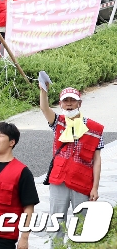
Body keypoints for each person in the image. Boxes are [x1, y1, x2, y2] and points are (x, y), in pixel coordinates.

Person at [39, 83, 104, 246]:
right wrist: (43, 90)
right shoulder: (58, 123)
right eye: (65, 101)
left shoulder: (94, 129)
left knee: (81, 224)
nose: (69, 104)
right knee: (56, 222)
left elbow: (97, 160)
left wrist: (95, 187)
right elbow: (44, 108)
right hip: (59, 180)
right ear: (60, 104)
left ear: (79, 103)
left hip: (82, 183)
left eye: (72, 101)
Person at [0, 122, 39, 249]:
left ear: (12, 142)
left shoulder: (22, 172)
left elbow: (29, 208)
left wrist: (24, 237)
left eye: (0, 135)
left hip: (3, 238)